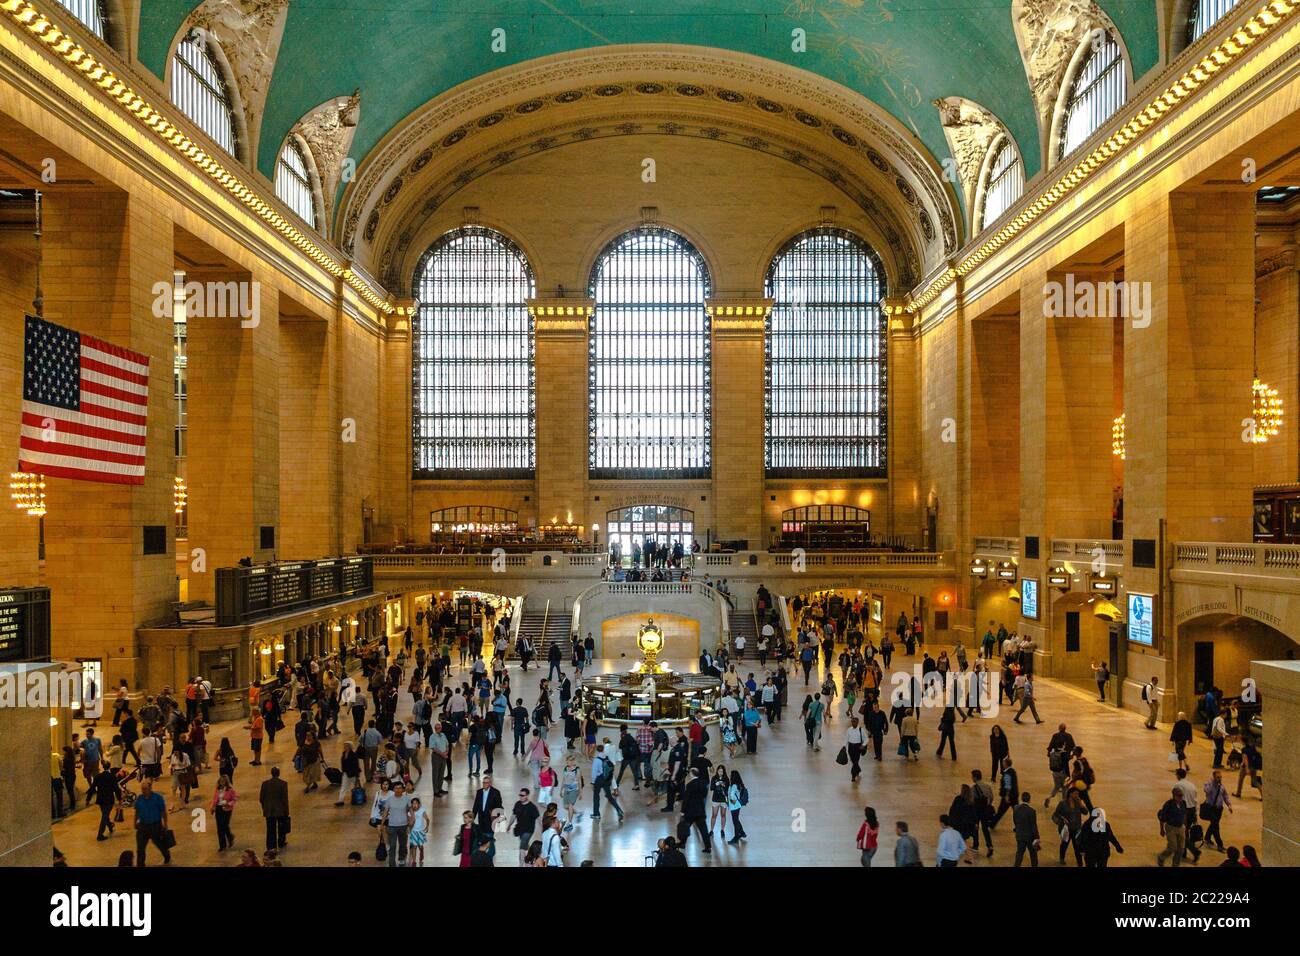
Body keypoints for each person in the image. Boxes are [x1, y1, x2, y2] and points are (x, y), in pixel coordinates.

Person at [132, 777, 170, 867]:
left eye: (145, 789)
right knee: (140, 848)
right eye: (142, 789)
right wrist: (135, 822)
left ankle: (166, 854)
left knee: (159, 843)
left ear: (150, 788)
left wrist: (165, 823)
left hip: (155, 826)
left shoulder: (158, 798)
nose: (143, 791)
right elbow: (137, 811)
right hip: (143, 826)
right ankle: (140, 864)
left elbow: (163, 812)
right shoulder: (140, 798)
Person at [678, 767, 711, 853]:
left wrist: (682, 811)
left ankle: (682, 843)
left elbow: (686, 799)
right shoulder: (703, 783)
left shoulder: (689, 785)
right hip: (700, 810)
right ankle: (708, 847)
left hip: (690, 811)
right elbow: (704, 794)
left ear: (692, 774)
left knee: (685, 827)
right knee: (704, 830)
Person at [258, 766, 290, 852]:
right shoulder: (283, 784)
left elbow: (261, 798)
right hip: (280, 809)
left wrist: (264, 807)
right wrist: (286, 811)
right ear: (278, 773)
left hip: (269, 810)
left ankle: (271, 845)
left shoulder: (265, 783)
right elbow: (284, 799)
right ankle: (281, 842)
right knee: (281, 827)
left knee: (270, 829)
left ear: (271, 773)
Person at [382, 780, 413, 866]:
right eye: (396, 788)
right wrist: (382, 823)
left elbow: (410, 810)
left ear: (403, 789)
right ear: (393, 789)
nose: (398, 790)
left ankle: (401, 858)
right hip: (392, 826)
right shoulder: (389, 799)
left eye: (400, 788)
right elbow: (385, 812)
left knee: (403, 844)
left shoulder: (407, 799)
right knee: (392, 846)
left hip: (403, 825)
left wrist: (412, 819)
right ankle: (392, 863)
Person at [508, 787, 541, 866]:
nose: (520, 797)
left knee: (522, 847)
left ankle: (521, 864)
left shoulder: (532, 807)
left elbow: (539, 818)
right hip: (520, 829)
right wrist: (509, 825)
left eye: (522, 795)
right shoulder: (517, 804)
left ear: (527, 796)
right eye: (520, 795)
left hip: (529, 830)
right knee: (525, 845)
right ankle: (532, 855)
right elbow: (513, 815)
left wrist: (543, 829)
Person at [1156, 787, 1188, 867]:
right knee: (1172, 847)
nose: (1181, 797)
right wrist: (1162, 829)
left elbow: (1184, 814)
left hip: (1181, 827)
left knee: (1181, 849)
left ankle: (1175, 865)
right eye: (1179, 796)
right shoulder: (1168, 804)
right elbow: (1162, 818)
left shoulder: (1183, 803)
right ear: (1174, 796)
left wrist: (1185, 826)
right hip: (1171, 828)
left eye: (1181, 796)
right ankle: (1161, 857)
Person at [1202, 769, 1232, 851]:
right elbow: (1206, 791)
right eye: (1218, 777)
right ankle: (1220, 845)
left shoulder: (1221, 787)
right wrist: (1212, 783)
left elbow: (1225, 796)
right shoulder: (1208, 784)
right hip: (1211, 809)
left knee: (1214, 824)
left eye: (1220, 777)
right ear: (1214, 777)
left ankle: (1207, 837)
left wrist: (1229, 805)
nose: (1219, 779)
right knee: (1216, 827)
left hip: (1219, 809)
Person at [1011, 792, 1039, 867]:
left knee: (1019, 854)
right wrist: (1037, 837)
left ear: (1021, 798)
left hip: (1020, 835)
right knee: (1033, 854)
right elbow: (1033, 825)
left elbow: (1015, 820)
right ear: (1029, 799)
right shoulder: (1031, 811)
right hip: (1030, 836)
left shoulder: (1016, 808)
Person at [210, 774, 237, 851]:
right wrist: (212, 807)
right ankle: (222, 845)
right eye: (220, 781)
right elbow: (214, 798)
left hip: (227, 809)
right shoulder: (217, 789)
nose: (221, 783)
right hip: (219, 808)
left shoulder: (230, 790)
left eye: (223, 781)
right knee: (219, 827)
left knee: (224, 825)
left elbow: (234, 799)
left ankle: (230, 837)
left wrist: (228, 803)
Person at [726, 770, 748, 845]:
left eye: (730, 775)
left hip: (734, 806)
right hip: (737, 806)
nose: (729, 776)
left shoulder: (734, 785)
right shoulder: (738, 784)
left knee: (735, 821)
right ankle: (742, 832)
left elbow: (732, 795)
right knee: (736, 820)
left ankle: (736, 837)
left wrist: (733, 801)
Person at [844, 716, 866, 781]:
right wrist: (844, 746)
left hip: (857, 747)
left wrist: (863, 745)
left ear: (857, 722)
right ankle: (858, 770)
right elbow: (846, 739)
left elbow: (866, 739)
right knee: (853, 761)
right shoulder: (849, 730)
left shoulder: (861, 730)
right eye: (852, 722)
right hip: (850, 747)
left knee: (856, 761)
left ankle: (853, 776)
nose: (853, 723)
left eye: (854, 722)